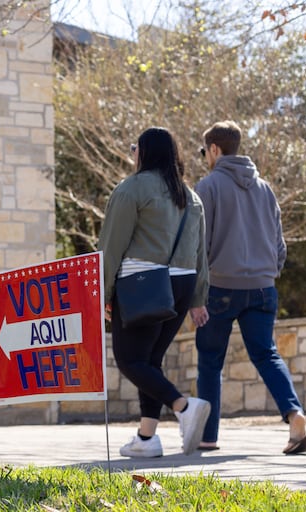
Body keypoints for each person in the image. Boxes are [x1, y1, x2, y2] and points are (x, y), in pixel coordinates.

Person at [193, 120, 306, 454]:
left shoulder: (207, 187)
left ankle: (208, 437)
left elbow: (199, 245)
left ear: (215, 149)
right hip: (264, 288)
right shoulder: (265, 189)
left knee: (210, 360)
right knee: (266, 354)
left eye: (205, 151)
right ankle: (294, 415)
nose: (205, 157)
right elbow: (279, 244)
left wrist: (197, 290)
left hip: (220, 287)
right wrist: (268, 273)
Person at [98, 126, 211, 457]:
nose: (133, 153)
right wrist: (198, 299)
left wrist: (101, 293)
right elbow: (201, 255)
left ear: (145, 152)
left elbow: (111, 247)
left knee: (130, 360)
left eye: (135, 148)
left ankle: (183, 406)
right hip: (183, 284)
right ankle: (146, 439)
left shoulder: (131, 189)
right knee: (149, 361)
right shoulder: (192, 197)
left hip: (142, 283)